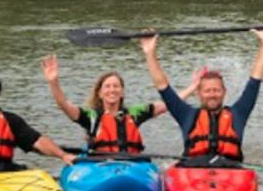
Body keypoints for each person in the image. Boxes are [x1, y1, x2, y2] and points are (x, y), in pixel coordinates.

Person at [143, 28, 263, 165]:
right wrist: (150, 52)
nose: (212, 95)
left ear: (224, 92)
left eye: (216, 90)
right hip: (194, 173)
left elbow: (255, 80)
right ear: (198, 93)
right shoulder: (186, 114)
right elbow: (162, 86)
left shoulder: (238, 113)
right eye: (207, 91)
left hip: (231, 174)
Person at [41, 55, 170, 156]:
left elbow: (170, 104)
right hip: (100, 166)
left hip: (131, 164)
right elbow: (64, 105)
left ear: (122, 92)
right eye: (107, 86)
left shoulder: (134, 113)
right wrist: (54, 82)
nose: (112, 90)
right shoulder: (92, 116)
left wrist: (190, 88)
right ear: (100, 93)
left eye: (116, 86)